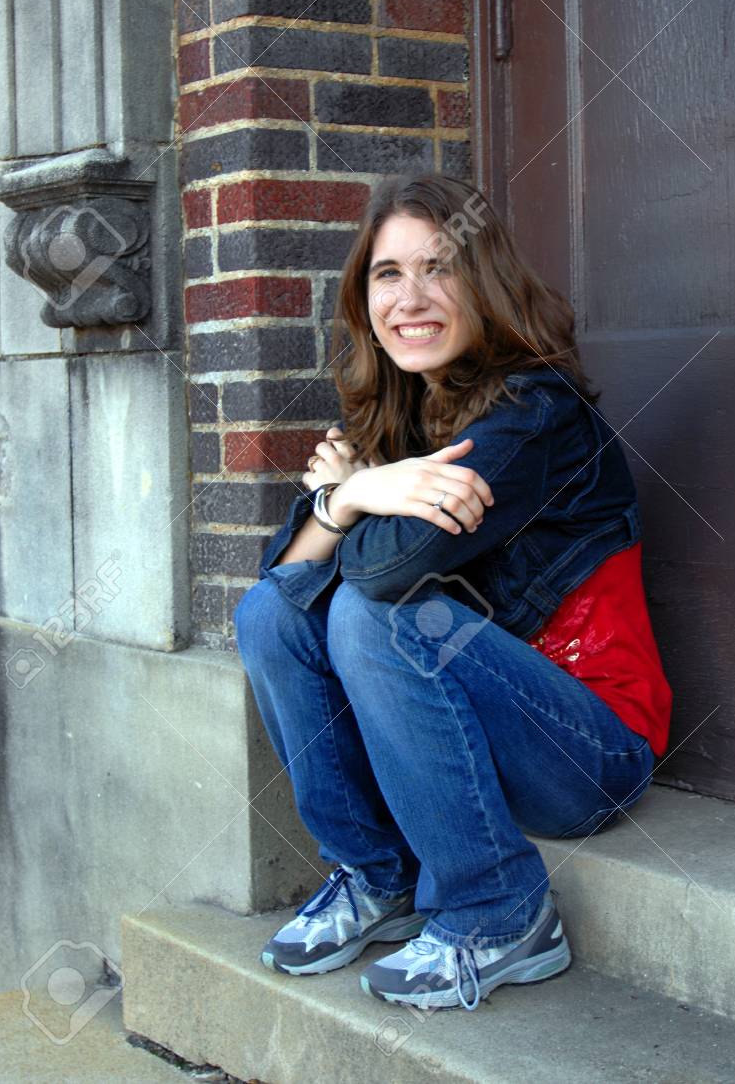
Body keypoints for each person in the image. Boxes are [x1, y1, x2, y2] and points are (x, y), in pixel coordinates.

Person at [233, 172, 672, 1012]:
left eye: (440, 268)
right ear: (364, 299)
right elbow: (283, 589)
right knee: (271, 615)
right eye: (388, 274)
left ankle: (499, 911)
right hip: (474, 744)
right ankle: (377, 875)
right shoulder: (401, 425)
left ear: (486, 283)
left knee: (371, 615)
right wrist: (353, 494)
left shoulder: (530, 416)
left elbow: (383, 579)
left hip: (591, 749)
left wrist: (361, 494)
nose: (411, 297)